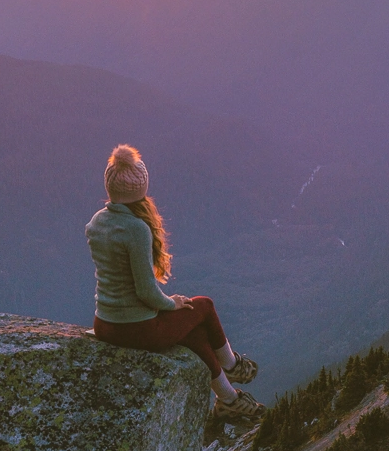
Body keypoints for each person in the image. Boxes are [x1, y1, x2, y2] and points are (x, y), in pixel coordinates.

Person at [86, 143, 264, 423]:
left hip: (104, 324)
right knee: (203, 306)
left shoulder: (95, 223)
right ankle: (232, 365)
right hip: (136, 330)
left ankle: (229, 399)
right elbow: (146, 292)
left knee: (194, 335)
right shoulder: (137, 229)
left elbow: (120, 283)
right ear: (140, 190)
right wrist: (172, 303)